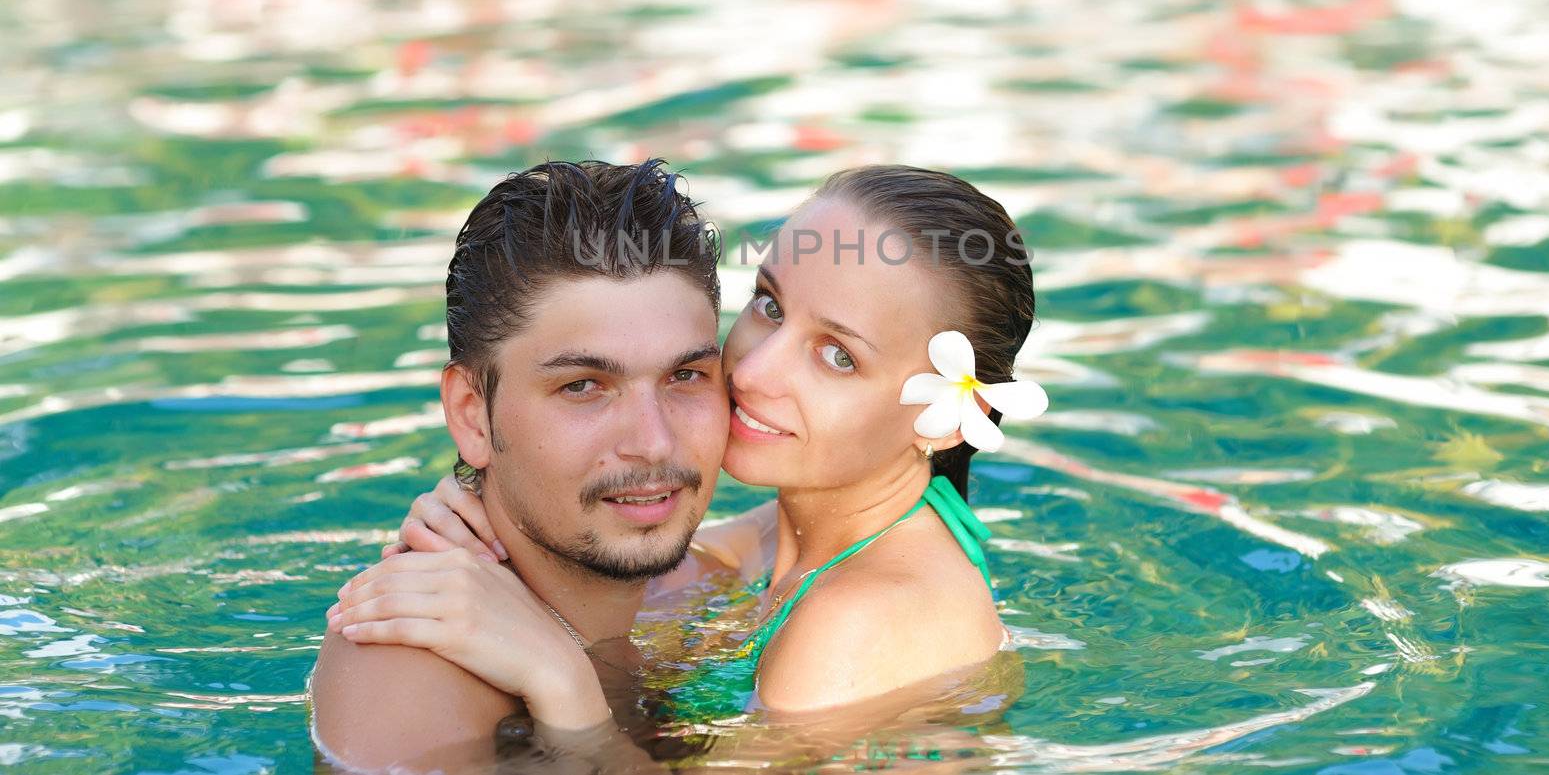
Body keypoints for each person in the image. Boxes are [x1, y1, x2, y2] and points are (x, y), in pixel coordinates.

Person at [321, 163, 1046, 764]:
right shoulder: (786, 535)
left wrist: (563, 685)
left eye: (837, 355)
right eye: (768, 305)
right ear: (471, 413)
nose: (757, 370)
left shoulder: (864, 619)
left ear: (946, 417)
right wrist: (478, 504)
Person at [310, 159, 734, 771]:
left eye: (686, 376)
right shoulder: (405, 674)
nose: (655, 442)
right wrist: (573, 702)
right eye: (583, 386)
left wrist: (560, 675)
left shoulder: (700, 583)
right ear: (472, 415)